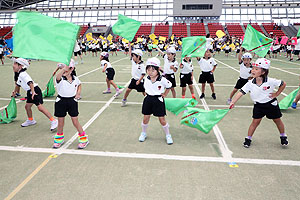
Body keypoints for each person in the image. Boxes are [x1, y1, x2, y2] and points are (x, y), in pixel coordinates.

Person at [229, 58, 288, 148]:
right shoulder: (250, 83)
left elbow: (283, 84)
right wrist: (233, 102)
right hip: (258, 106)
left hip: (271, 104)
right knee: (255, 122)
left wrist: (277, 94)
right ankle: (248, 139)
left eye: (256, 69)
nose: (253, 70)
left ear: (263, 72)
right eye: (253, 68)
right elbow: (241, 92)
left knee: (277, 120)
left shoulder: (270, 81)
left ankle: (283, 136)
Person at [11, 58, 58, 130]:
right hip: (30, 91)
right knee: (27, 106)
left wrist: (33, 92)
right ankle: (30, 120)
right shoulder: (19, 74)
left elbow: (30, 83)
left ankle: (53, 120)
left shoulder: (23, 74)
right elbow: (18, 85)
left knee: (40, 107)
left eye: (15, 64)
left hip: (35, 90)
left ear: (20, 66)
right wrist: (15, 92)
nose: (13, 66)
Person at [52, 60, 89, 149]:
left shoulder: (75, 78)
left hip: (72, 102)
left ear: (72, 69)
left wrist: (78, 93)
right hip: (61, 101)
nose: (63, 71)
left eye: (66, 69)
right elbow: (57, 76)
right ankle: (59, 139)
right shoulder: (60, 79)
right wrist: (63, 69)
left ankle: (84, 138)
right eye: (61, 69)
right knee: (60, 122)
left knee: (75, 121)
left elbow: (79, 84)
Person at [139, 57, 173, 145]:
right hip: (148, 99)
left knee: (162, 119)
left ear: (158, 70)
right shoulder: (146, 78)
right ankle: (143, 133)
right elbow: (145, 88)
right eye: (148, 70)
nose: (150, 72)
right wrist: (146, 93)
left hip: (158, 100)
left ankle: (168, 135)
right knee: (146, 118)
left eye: (153, 70)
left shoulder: (162, 79)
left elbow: (169, 85)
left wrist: (165, 94)